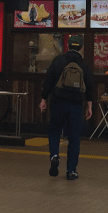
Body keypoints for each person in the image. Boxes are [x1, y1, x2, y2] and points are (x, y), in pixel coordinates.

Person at [39, 34, 93, 180]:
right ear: (81, 48)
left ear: (68, 46)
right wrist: (89, 105)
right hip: (76, 105)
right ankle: (71, 171)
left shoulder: (58, 61)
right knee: (74, 138)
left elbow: (48, 81)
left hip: (58, 102)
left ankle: (55, 155)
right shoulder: (84, 64)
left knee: (55, 131)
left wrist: (44, 98)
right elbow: (89, 86)